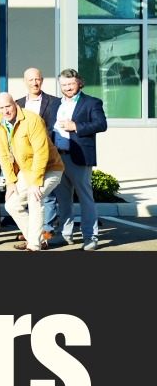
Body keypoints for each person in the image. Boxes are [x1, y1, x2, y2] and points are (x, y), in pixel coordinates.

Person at [0, 93, 65, 252]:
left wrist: (35, 182)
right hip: (26, 170)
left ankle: (34, 245)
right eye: (1, 108)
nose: (5, 111)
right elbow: (3, 154)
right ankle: (38, 239)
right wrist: (11, 181)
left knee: (34, 197)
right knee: (12, 205)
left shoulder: (32, 120)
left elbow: (42, 153)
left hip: (50, 168)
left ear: (15, 104)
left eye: (8, 106)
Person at [50, 68, 108, 250]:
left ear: (79, 83)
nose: (67, 87)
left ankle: (91, 236)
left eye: (71, 84)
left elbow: (101, 124)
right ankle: (64, 234)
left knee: (85, 198)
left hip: (79, 157)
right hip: (58, 158)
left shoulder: (91, 102)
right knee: (63, 199)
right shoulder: (55, 104)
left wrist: (76, 126)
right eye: (64, 84)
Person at [16, 67, 62, 246]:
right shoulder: (18, 103)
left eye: (38, 79)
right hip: (27, 157)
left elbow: (53, 126)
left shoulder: (54, 102)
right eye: (31, 80)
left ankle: (47, 232)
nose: (35, 83)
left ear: (42, 80)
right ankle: (32, 233)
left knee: (46, 195)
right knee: (28, 194)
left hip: (48, 153)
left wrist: (40, 142)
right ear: (25, 82)